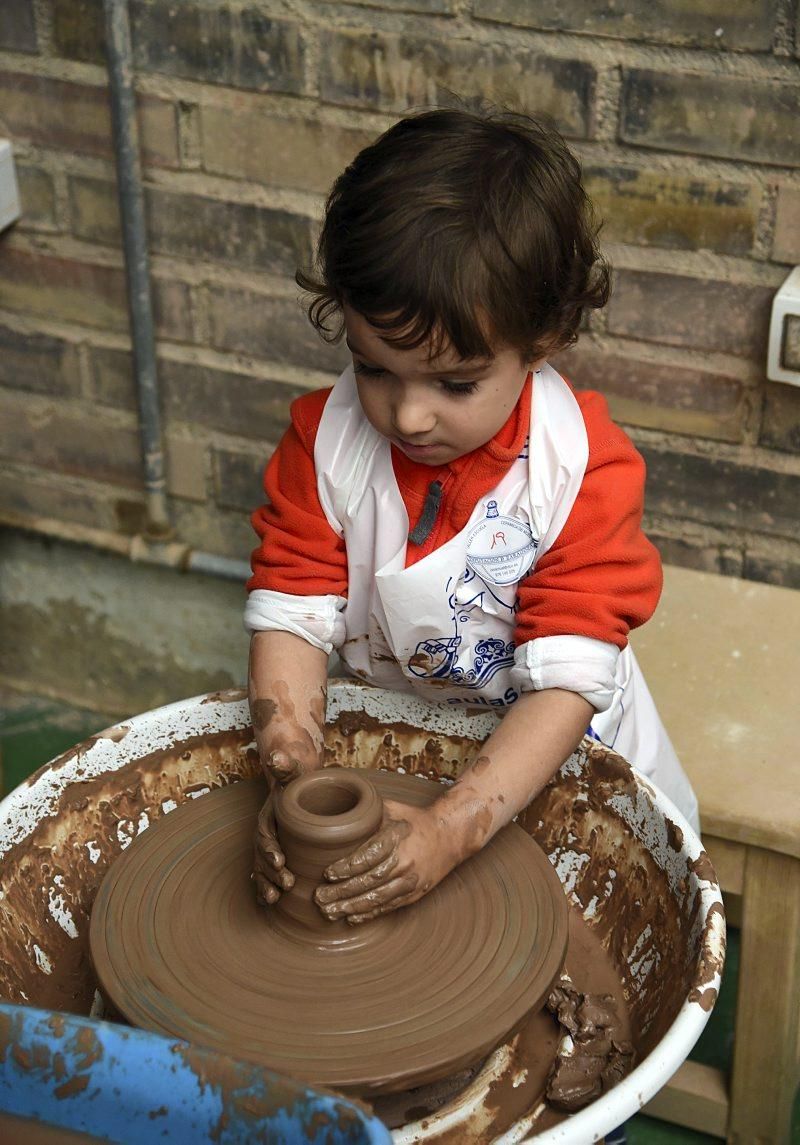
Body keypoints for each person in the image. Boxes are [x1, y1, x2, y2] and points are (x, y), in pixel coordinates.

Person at [245, 107, 699, 927]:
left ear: (544, 338)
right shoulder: (326, 441)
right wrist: (292, 770)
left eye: (453, 383)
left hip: (563, 763)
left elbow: (564, 684)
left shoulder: (578, 470)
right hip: (408, 745)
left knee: (565, 944)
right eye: (373, 368)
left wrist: (455, 830)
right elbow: (290, 609)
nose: (408, 415)